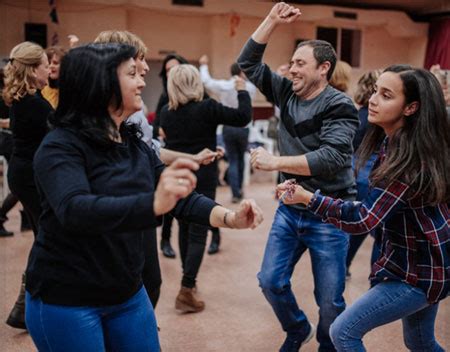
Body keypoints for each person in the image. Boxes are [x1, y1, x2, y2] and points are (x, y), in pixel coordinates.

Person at [25, 42, 263, 352]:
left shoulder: (133, 141)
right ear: (101, 83)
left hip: (126, 292)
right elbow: (75, 209)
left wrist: (229, 218)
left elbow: (184, 199)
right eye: (132, 74)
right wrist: (152, 204)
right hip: (67, 298)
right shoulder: (60, 146)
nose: (142, 82)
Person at [276, 65, 449, 352]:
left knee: (343, 332)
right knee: (420, 341)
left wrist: (309, 199)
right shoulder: (395, 144)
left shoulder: (407, 162)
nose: (373, 99)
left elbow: (365, 219)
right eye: (374, 91)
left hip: (420, 274)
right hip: (419, 266)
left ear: (411, 108)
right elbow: (370, 209)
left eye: (386, 95)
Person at [238, 3, 359, 351]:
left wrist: (274, 163)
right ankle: (296, 328)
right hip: (291, 209)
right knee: (270, 281)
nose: (292, 69)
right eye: (291, 63)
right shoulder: (286, 92)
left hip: (330, 212)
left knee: (330, 302)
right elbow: (248, 62)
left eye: (300, 63)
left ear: (324, 68)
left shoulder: (340, 105)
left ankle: (327, 344)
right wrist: (272, 20)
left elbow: (332, 157)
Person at [160, 64, 252, 313]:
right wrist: (242, 90)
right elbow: (243, 117)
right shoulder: (207, 108)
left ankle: (186, 280)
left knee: (183, 225)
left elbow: (175, 141)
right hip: (203, 175)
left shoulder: (165, 112)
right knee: (199, 230)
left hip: (177, 172)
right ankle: (187, 288)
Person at [2, 41, 53, 329]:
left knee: (43, 235)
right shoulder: (33, 102)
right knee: (48, 236)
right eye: (45, 65)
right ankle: (26, 303)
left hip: (24, 174)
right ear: (33, 70)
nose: (49, 69)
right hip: (30, 176)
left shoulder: (24, 98)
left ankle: (25, 305)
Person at [199, 54, 257, 253]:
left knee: (233, 160)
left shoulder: (225, 85)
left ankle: (235, 193)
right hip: (244, 128)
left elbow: (206, 81)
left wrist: (203, 65)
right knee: (240, 160)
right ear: (241, 72)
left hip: (228, 127)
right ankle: (239, 190)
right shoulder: (248, 87)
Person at [345, 70, 382, 280]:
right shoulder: (380, 120)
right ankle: (376, 277)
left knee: (358, 227)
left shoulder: (358, 116)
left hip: (355, 177)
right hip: (372, 179)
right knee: (380, 234)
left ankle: (344, 266)